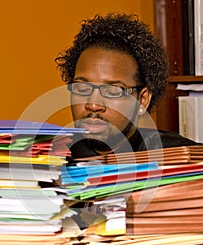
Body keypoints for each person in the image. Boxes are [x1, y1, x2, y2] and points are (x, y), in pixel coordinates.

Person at [55, 12, 198, 160]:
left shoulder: (180, 158)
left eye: (112, 91)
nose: (93, 104)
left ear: (142, 99)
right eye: (82, 89)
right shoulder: (47, 159)